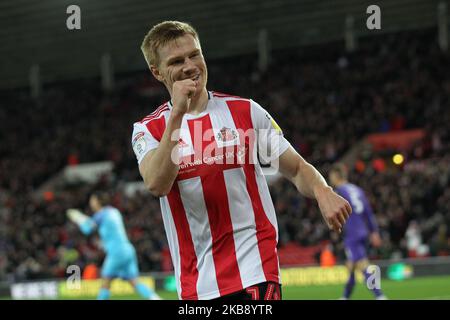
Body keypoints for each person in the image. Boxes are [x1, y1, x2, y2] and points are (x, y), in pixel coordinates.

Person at [132, 20, 352, 300]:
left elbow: (296, 168)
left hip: (255, 271)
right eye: (177, 61)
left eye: (195, 54)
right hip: (196, 285)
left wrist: (323, 190)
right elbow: (157, 183)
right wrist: (178, 114)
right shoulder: (148, 129)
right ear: (157, 72)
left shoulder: (245, 111)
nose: (190, 66)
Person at [67, 191, 161, 300]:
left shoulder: (101, 214)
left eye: (92, 200)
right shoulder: (114, 211)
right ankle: (156, 298)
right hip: (128, 249)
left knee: (105, 282)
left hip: (117, 252)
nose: (90, 203)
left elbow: (87, 229)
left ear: (98, 201)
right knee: (135, 282)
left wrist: (77, 218)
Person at [328, 163, 387, 300]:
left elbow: (334, 213)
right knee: (352, 266)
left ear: (336, 176)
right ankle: (345, 296)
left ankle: (380, 296)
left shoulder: (339, 191)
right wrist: (374, 232)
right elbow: (368, 213)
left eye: (331, 176)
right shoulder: (357, 190)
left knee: (362, 264)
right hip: (364, 232)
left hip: (352, 233)